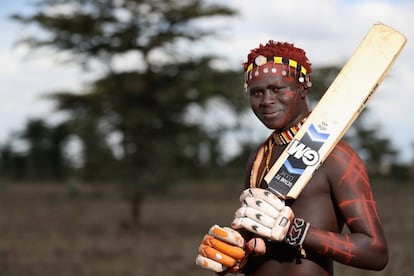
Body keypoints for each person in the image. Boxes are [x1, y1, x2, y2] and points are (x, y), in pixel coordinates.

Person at [196, 41, 388, 275]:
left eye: (277, 89)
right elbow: (262, 241)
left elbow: (375, 252)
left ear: (304, 89)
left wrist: (296, 232)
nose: (266, 100)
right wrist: (235, 252)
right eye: (257, 92)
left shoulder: (336, 156)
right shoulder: (259, 156)